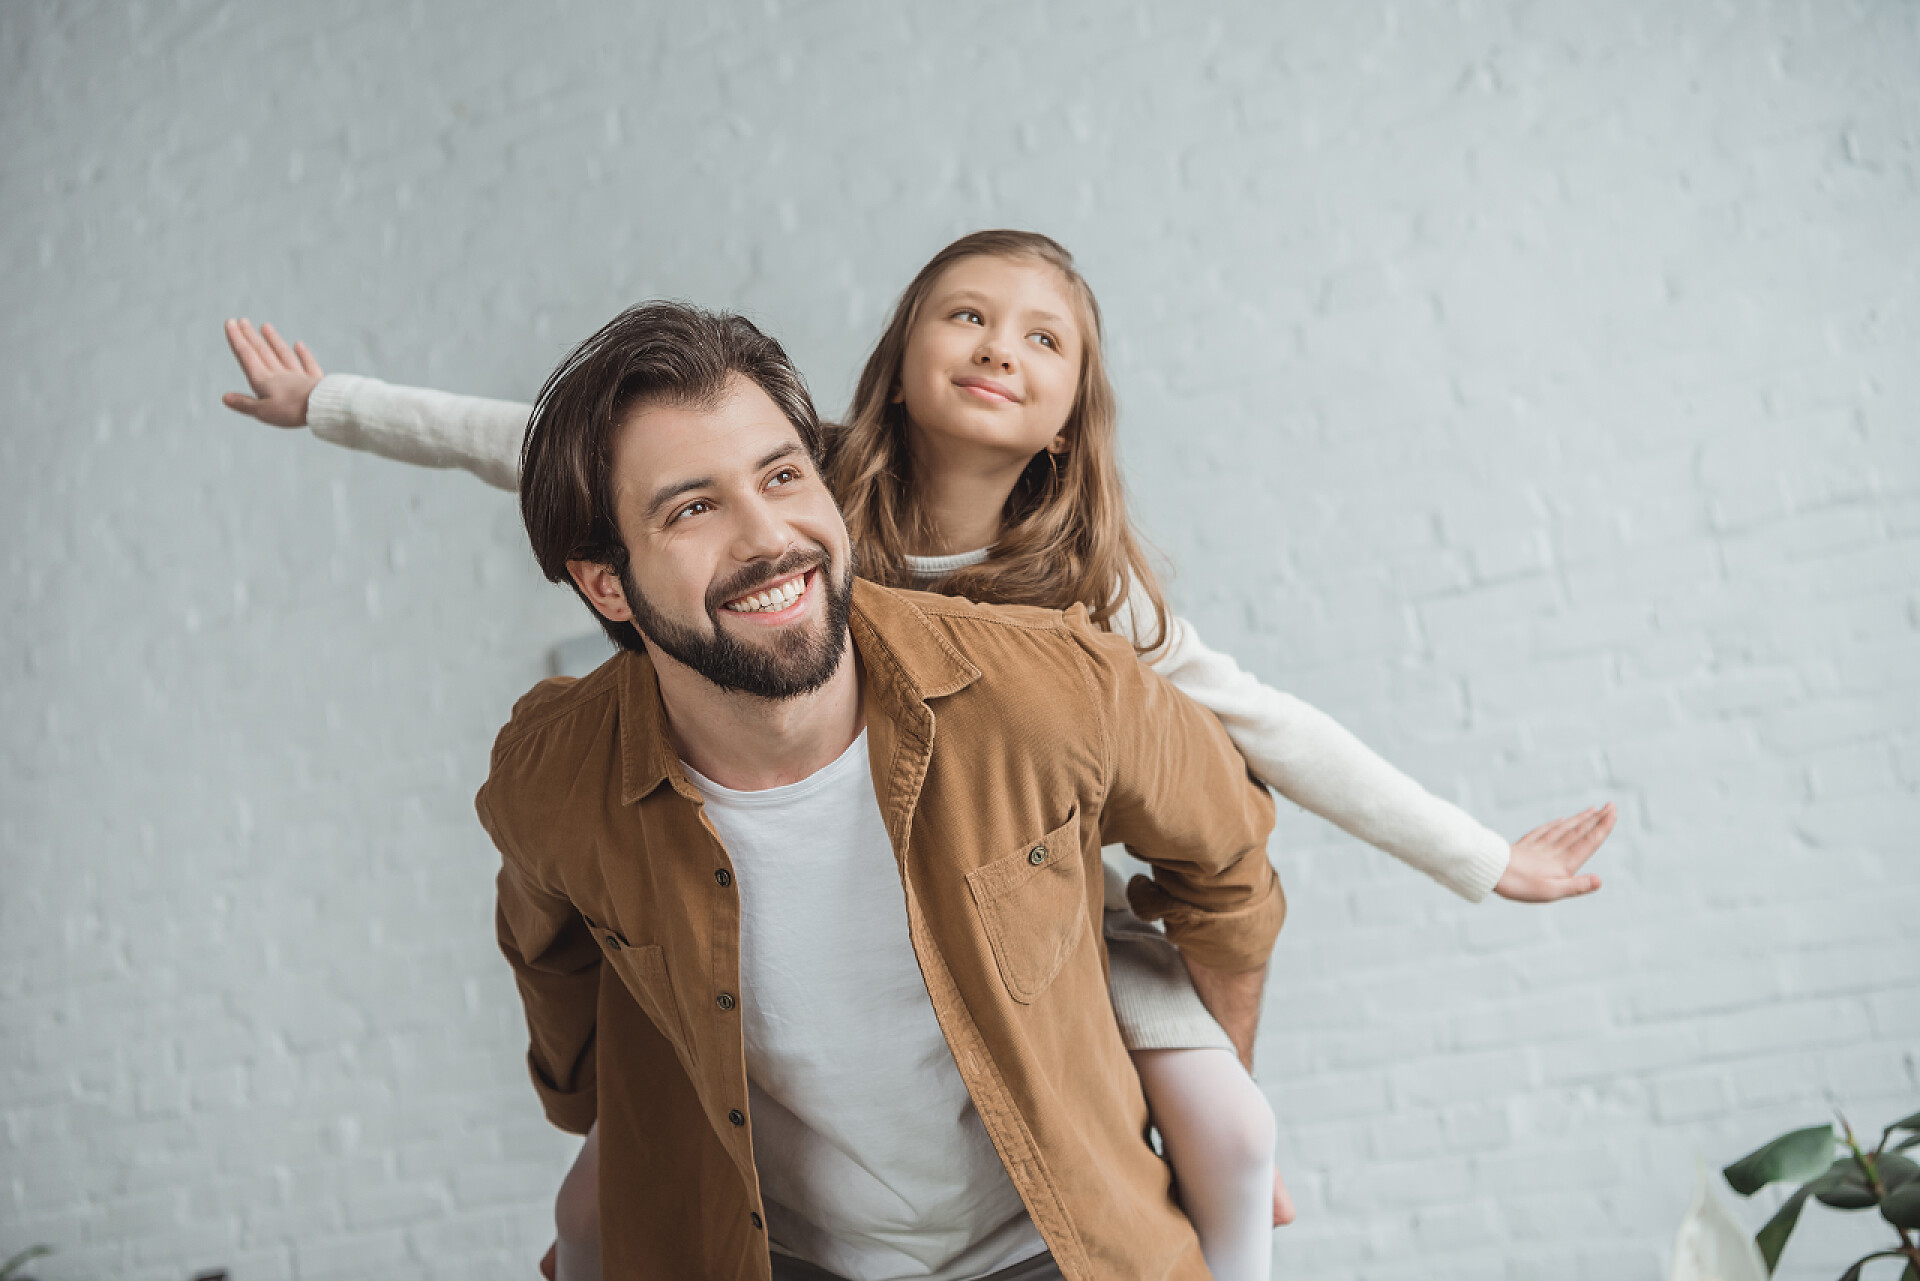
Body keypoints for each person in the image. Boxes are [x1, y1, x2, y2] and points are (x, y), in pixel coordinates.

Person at [221, 230, 1617, 1280]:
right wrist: (326, 402)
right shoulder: (806, 478)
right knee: (592, 1209)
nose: (1001, 348)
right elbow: (526, 442)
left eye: (1043, 340)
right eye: (968, 314)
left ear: (1074, 412)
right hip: (723, 915)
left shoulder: (1083, 613)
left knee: (1237, 1140)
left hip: (1049, 910)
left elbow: (1264, 754)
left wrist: (1482, 859)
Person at [484, 297, 1285, 1279]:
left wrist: (1208, 1074)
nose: (768, 536)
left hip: (1059, 1245)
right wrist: (604, 1129)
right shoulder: (555, 777)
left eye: (782, 476)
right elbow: (552, 963)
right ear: (607, 584)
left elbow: (1229, 860)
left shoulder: (1054, 690)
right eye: (693, 508)